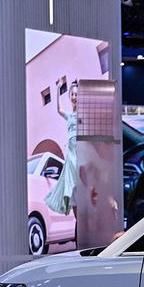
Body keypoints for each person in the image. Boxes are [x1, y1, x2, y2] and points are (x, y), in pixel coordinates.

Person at [45, 82, 79, 218]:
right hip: (70, 153)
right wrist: (58, 89)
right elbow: (59, 109)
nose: (74, 97)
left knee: (77, 182)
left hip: (79, 151)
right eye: (72, 94)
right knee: (71, 187)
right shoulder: (70, 116)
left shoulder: (81, 114)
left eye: (76, 94)